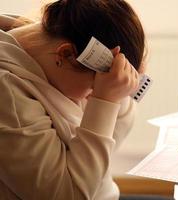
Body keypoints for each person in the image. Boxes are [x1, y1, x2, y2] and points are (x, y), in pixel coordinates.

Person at [0, 0, 166, 199]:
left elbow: (108, 144)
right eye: (93, 88)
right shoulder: (8, 93)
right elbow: (66, 194)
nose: (91, 97)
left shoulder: (45, 45)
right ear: (66, 54)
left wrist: (118, 90)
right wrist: (105, 100)